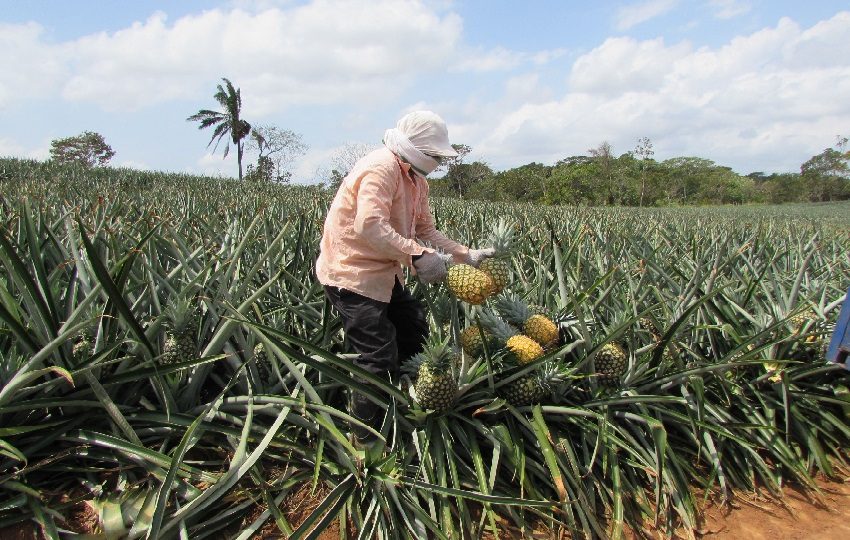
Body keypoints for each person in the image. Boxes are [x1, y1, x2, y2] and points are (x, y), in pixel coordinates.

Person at [316, 110, 493, 447]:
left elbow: (425, 228)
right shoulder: (380, 168)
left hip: (385, 269)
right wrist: (416, 255)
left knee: (414, 333)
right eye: (436, 155)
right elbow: (369, 226)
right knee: (377, 356)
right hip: (351, 272)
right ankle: (365, 442)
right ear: (417, 150)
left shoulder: (416, 179)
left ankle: (411, 404)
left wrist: (464, 254)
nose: (439, 162)